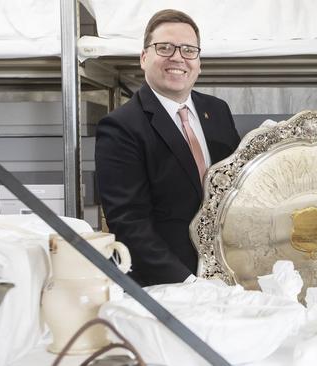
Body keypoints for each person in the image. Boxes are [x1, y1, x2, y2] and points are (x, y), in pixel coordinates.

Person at [95, 9, 240, 286]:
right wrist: (189, 283)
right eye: (165, 47)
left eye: (188, 50)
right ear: (143, 58)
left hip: (230, 272)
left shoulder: (217, 111)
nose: (177, 57)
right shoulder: (120, 127)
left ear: (198, 62)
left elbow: (238, 191)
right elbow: (130, 225)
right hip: (169, 284)